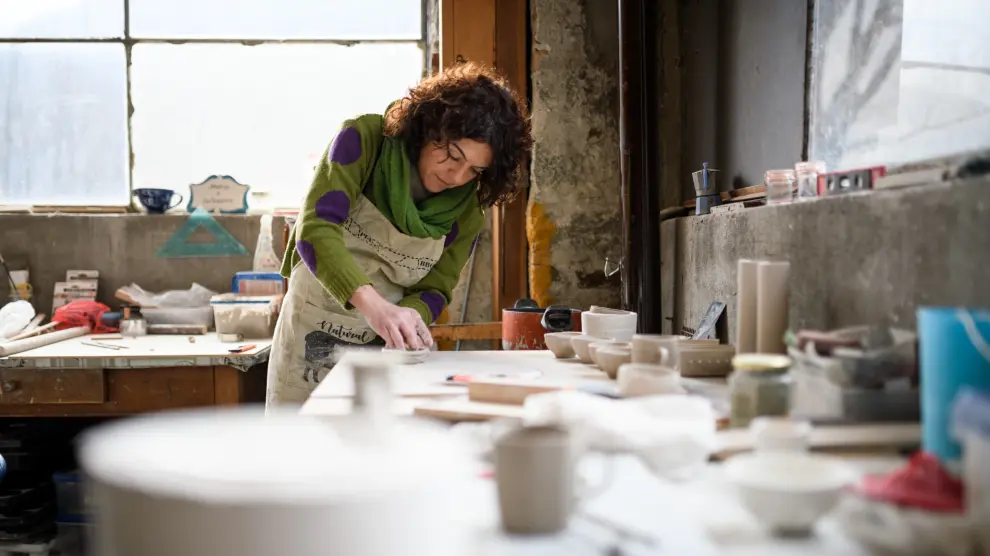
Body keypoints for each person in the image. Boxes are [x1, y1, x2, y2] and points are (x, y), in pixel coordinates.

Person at [266, 62, 533, 408]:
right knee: (301, 448)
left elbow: (435, 289)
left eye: (475, 170)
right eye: (452, 155)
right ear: (428, 126)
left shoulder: (466, 212)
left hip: (383, 348)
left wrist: (409, 319)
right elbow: (315, 232)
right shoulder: (365, 141)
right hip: (310, 331)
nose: (456, 175)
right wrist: (375, 306)